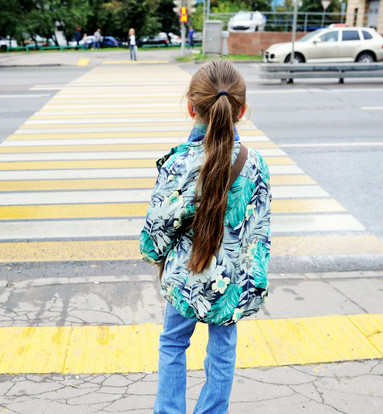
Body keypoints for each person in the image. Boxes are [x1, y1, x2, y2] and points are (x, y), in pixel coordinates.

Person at [140, 59, 271, 413]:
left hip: (186, 274)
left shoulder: (180, 163)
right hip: (230, 282)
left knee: (172, 343)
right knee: (223, 348)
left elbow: (157, 230)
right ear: (242, 110)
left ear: (190, 107)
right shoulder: (255, 162)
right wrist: (252, 282)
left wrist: (154, 255)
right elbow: (258, 233)